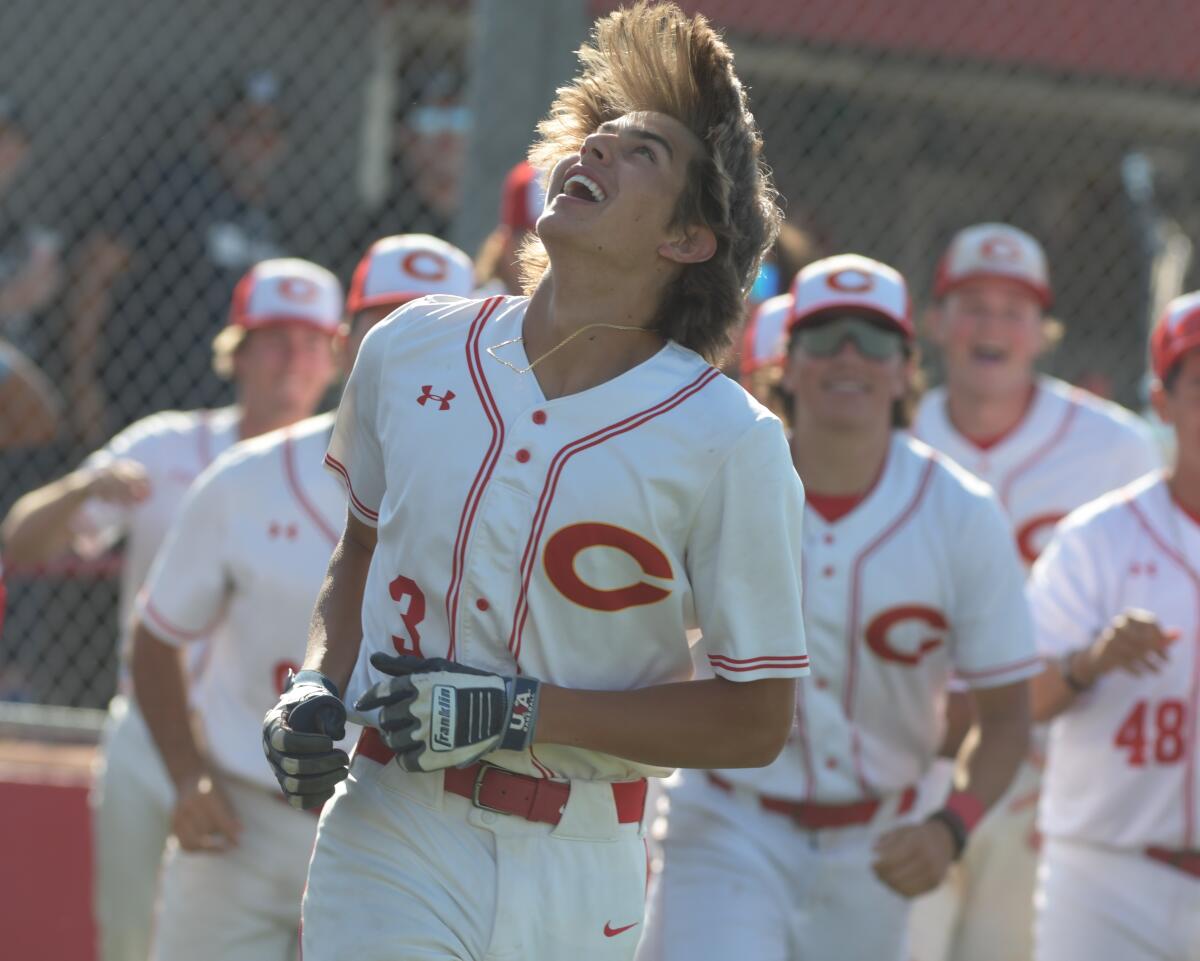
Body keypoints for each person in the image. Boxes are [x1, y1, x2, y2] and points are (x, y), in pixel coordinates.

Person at [262, 5, 810, 959]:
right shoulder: (409, 346)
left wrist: (519, 713)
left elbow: (756, 714)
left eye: (643, 150)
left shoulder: (729, 439)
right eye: (597, 132)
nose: (599, 143)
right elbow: (356, 550)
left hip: (586, 851)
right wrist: (315, 677)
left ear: (687, 238)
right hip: (394, 820)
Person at [639, 255, 1034, 961]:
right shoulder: (717, 478)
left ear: (906, 368)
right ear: (785, 364)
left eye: (874, 337)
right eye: (824, 336)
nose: (849, 356)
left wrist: (951, 825)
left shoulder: (963, 513)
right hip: (727, 823)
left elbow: (1008, 716)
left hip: (881, 840)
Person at [128, 233, 473, 961]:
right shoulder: (245, 476)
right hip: (247, 814)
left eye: (435, 324)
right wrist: (186, 776)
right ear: (346, 343)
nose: (409, 345)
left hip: (406, 821)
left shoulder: (506, 490)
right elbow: (156, 633)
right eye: (388, 322)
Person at [0, 256, 342, 961]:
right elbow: (23, 541)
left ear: (335, 358)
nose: (291, 358)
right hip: (150, 728)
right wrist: (83, 486)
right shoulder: (164, 444)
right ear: (237, 351)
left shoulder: (352, 473)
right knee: (127, 934)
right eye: (274, 337)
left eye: (311, 341)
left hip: (263, 749)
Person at [909, 222, 1162, 961]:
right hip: (910, 753)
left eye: (1013, 308)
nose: (992, 325)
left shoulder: (1115, 447)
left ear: (1043, 330)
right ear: (936, 322)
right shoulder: (892, 435)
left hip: (1046, 765)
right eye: (973, 303)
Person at [1025, 291, 1200, 961]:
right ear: (1162, 401)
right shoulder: (1096, 538)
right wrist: (1090, 661)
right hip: (1106, 876)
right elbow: (1019, 700)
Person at [64, 70, 288, 443]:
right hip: (151, 396)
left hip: (236, 409)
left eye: (270, 130)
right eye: (242, 126)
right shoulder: (172, 187)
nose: (255, 142)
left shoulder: (279, 216)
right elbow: (94, 273)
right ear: (214, 130)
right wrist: (83, 383)